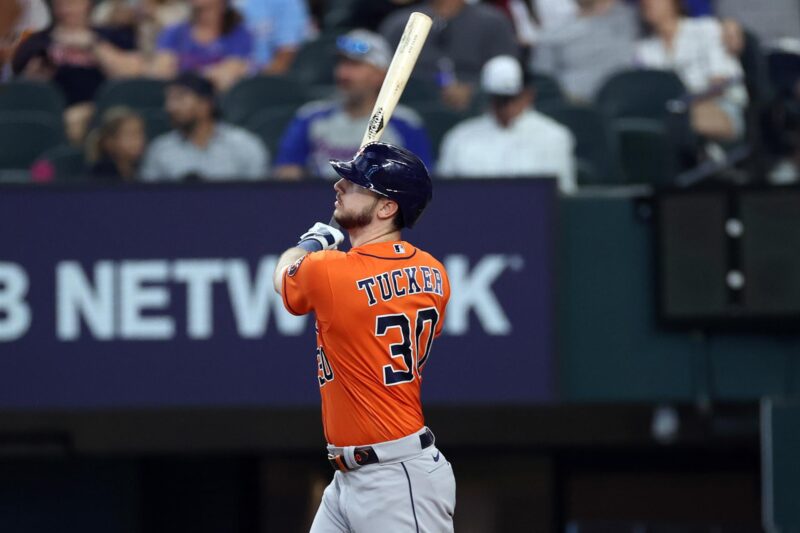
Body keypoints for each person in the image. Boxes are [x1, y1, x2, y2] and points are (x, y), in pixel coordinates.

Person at [272, 142, 455, 532]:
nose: (339, 185)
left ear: (388, 208)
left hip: (396, 477)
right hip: (352, 477)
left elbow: (282, 276)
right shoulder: (434, 272)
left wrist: (311, 242)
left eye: (356, 183)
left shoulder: (329, 271)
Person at [273, 29, 433, 180]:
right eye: (341, 64)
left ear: (381, 74)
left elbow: (420, 182)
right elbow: (286, 173)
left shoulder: (405, 123)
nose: (343, 73)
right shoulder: (309, 117)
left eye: (355, 65)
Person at [438, 55, 576, 193]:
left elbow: (561, 196)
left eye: (511, 98)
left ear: (528, 95)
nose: (505, 106)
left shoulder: (554, 136)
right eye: (498, 99)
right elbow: (446, 197)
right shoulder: (459, 138)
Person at [11, 0, 143, 143]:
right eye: (61, 4)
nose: (67, 9)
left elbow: (132, 74)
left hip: (106, 114)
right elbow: (22, 89)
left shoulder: (113, 35)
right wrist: (36, 75)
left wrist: (92, 44)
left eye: (73, 3)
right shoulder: (36, 43)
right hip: (55, 115)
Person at [636, 0, 748, 141]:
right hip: (670, 114)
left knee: (674, 120)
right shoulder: (645, 50)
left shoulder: (706, 29)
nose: (648, 3)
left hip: (721, 108)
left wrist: (683, 103)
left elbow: (720, 83)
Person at [380, 0, 520, 110]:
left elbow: (507, 72)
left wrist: (474, 89)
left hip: (480, 110)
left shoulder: (492, 22)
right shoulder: (402, 24)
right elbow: (382, 75)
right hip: (418, 106)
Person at [139, 72, 269, 181]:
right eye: (169, 100)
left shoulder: (244, 145)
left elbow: (260, 196)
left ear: (205, 104)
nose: (170, 107)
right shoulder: (160, 150)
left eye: (179, 98)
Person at [532, 0, 639, 102]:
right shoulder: (551, 34)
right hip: (575, 109)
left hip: (627, 105)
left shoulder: (631, 18)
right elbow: (542, 82)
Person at [149, 0, 253, 92]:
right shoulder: (174, 33)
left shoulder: (239, 35)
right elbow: (161, 70)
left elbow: (230, 73)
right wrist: (207, 76)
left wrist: (183, 75)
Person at [232, 0, 310, 74]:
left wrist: (255, 82)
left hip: (261, 79)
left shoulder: (287, 3)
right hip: (229, 72)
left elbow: (287, 55)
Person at [85, 106, 146, 181]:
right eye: (131, 134)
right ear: (109, 142)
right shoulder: (99, 176)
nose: (138, 140)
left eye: (140, 133)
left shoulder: (143, 170)